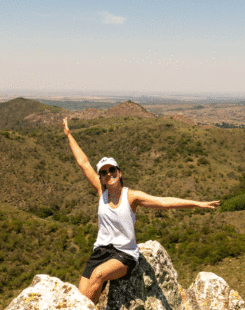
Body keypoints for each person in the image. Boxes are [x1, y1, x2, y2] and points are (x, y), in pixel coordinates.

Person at [62, 117, 220, 305]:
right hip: (100, 251)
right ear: (101, 178)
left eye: (112, 170)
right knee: (80, 298)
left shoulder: (131, 197)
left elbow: (164, 202)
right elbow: (83, 162)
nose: (108, 174)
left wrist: (198, 204)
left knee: (98, 275)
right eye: (103, 172)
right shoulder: (101, 191)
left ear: (119, 173)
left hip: (124, 254)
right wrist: (68, 134)